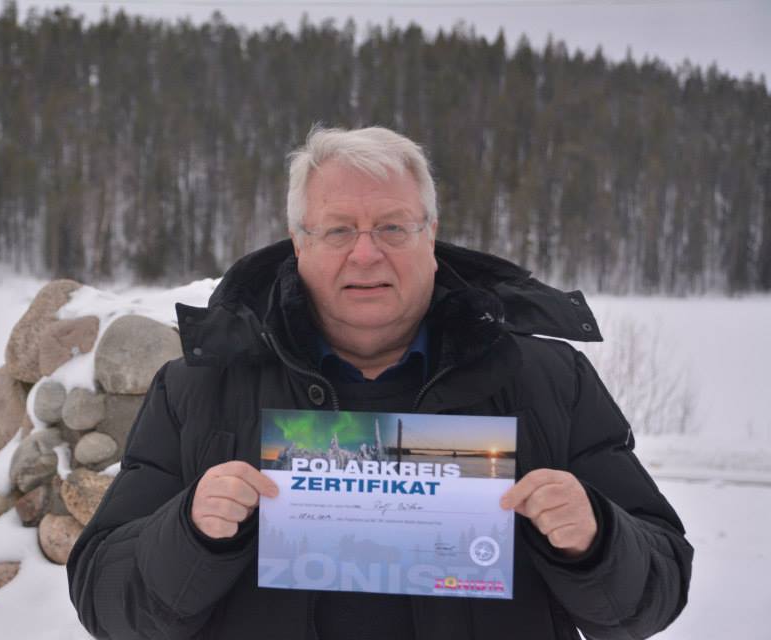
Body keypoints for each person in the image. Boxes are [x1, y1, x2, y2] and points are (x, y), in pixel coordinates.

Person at [67, 126, 693, 639]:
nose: (366, 254)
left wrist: (595, 539)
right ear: (299, 242)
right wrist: (191, 533)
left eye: (393, 227)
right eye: (339, 229)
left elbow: (653, 596)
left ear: (430, 235)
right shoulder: (199, 387)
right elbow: (106, 602)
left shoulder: (547, 381)